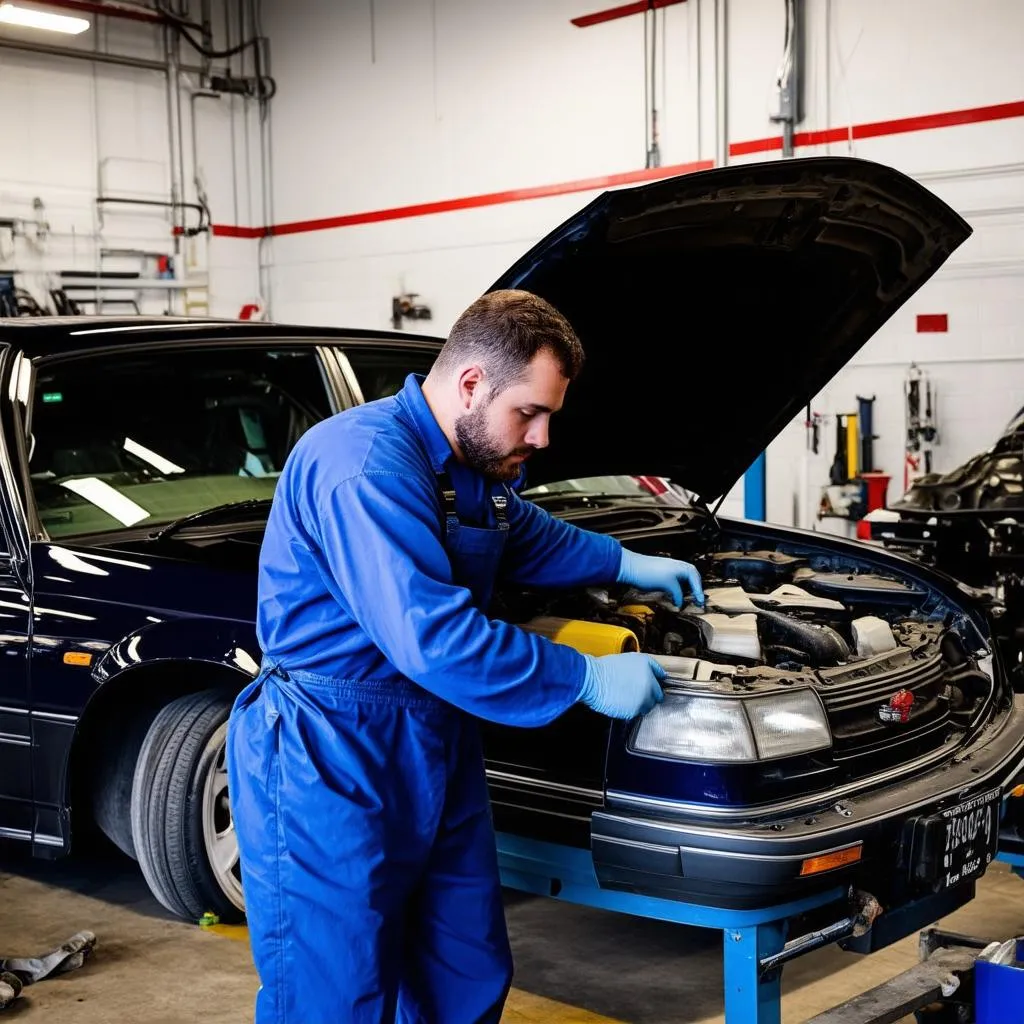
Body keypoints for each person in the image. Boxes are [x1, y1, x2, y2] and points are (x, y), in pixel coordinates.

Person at [226, 289, 705, 1023]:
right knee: (336, 992)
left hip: (432, 738)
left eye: (549, 416)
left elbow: (521, 533)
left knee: (464, 967)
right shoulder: (363, 466)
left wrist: (620, 563)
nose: (542, 437)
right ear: (473, 384)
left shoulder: (469, 460)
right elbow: (435, 637)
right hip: (328, 751)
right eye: (530, 413)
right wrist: (582, 674)